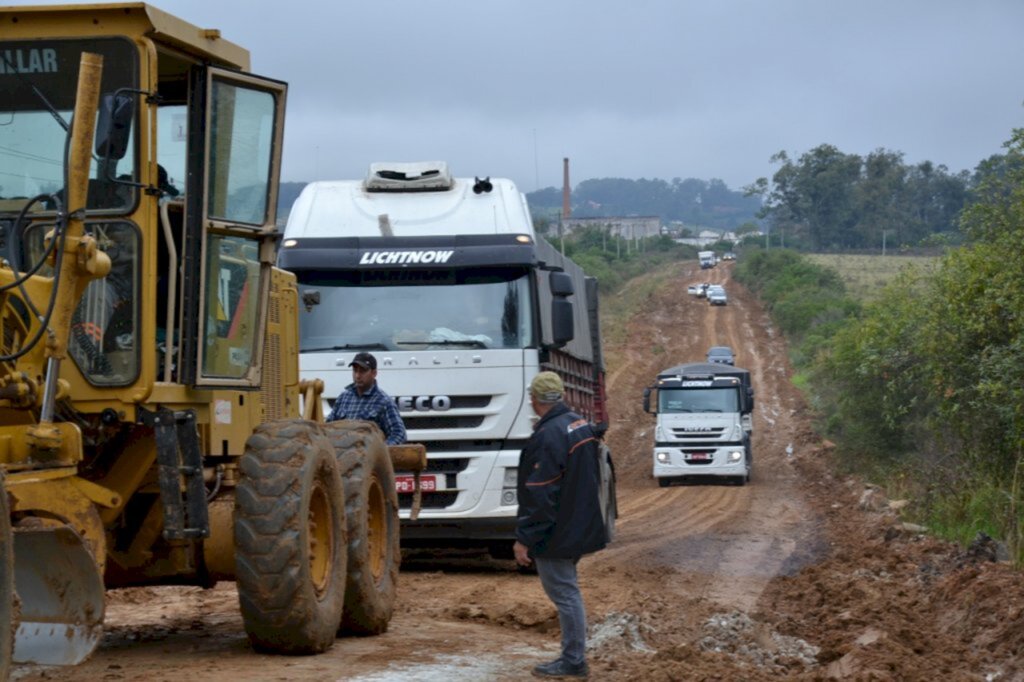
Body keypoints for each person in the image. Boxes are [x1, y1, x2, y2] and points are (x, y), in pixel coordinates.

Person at [513, 371, 607, 679]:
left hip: (559, 530)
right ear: (561, 395)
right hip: (578, 523)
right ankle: (573, 656)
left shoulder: (548, 435)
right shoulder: (577, 424)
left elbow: (541, 492)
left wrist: (525, 538)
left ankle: (574, 660)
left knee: (566, 594)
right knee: (569, 591)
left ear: (534, 399)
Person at [326, 352, 407, 445]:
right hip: (341, 455)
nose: (357, 376)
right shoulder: (343, 398)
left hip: (368, 457)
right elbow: (328, 427)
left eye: (362, 371)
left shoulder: (384, 402)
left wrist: (380, 451)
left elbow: (399, 434)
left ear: (374, 373)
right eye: (355, 370)